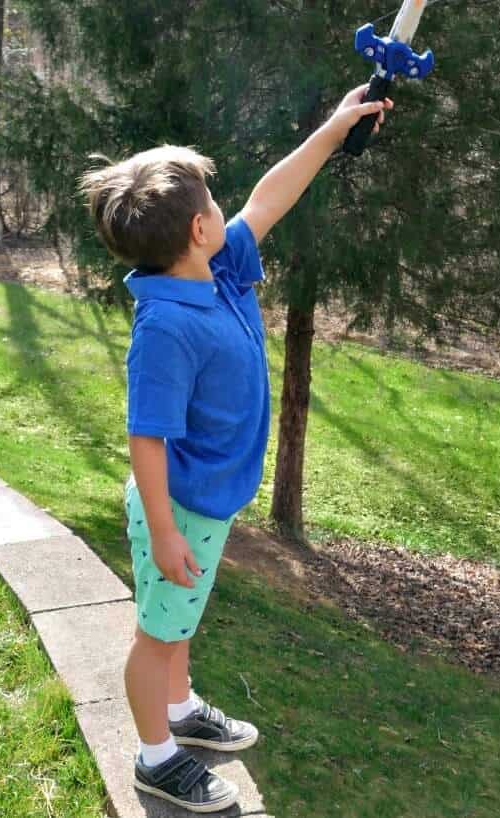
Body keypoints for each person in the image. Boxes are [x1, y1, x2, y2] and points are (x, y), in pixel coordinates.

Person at [78, 85, 394, 812]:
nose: (228, 211)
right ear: (196, 230)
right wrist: (161, 532)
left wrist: (334, 129)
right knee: (156, 634)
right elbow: (145, 437)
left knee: (179, 621)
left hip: (203, 501)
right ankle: (155, 757)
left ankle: (181, 709)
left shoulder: (214, 269)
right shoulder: (164, 326)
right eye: (214, 204)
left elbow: (269, 199)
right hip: (180, 505)